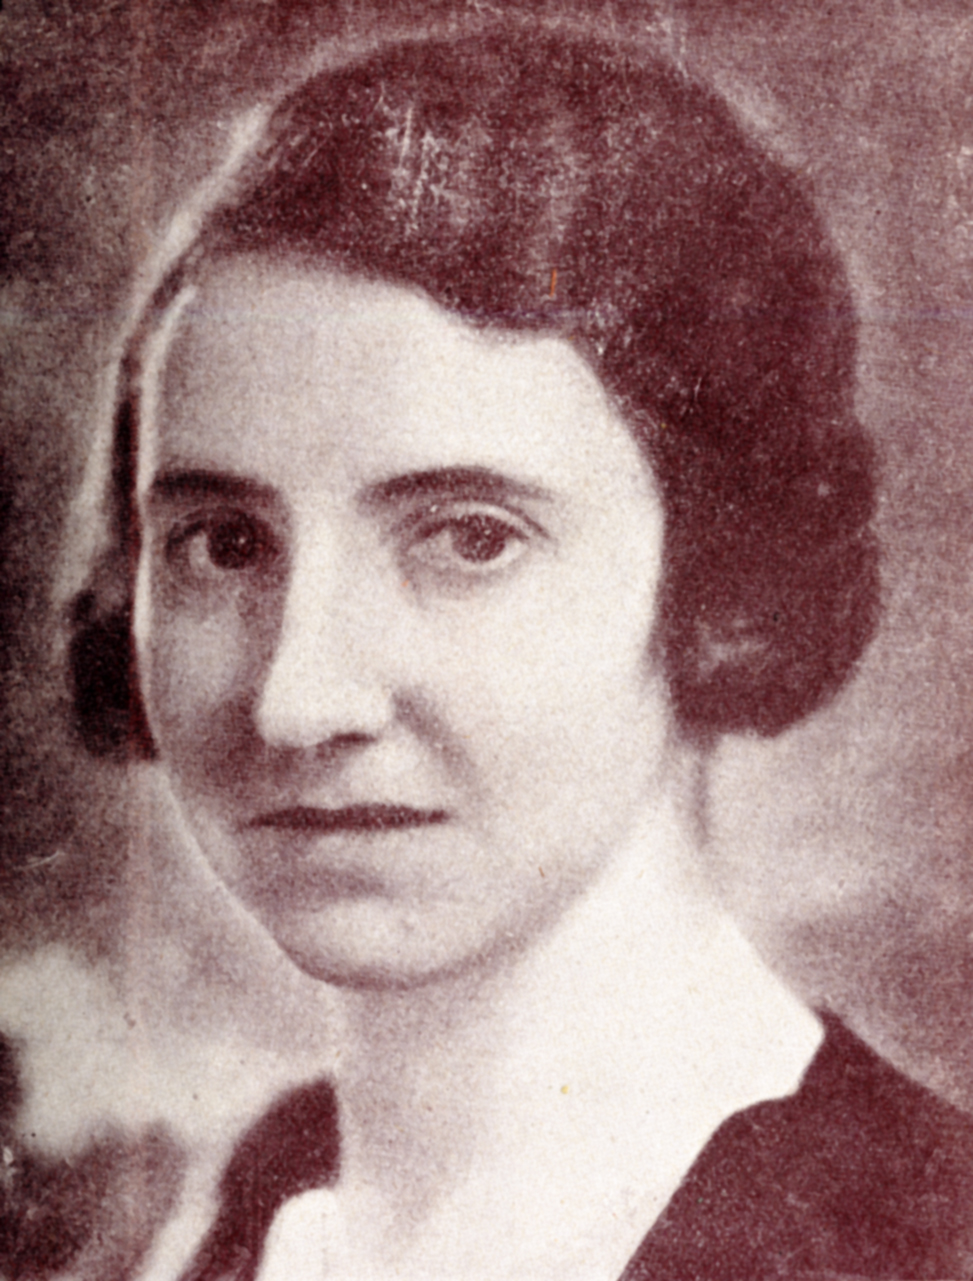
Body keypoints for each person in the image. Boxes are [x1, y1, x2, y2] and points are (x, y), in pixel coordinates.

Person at [5, 15, 973, 1281]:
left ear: (719, 580)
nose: (298, 698)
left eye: (469, 538)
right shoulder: (247, 1210)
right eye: (224, 544)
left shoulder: (911, 1242)